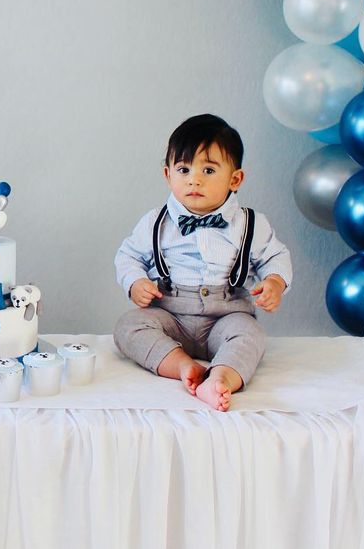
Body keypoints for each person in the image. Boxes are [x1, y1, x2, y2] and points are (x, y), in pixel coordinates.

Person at [113, 114, 292, 412]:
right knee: (128, 326)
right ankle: (182, 366)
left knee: (251, 335)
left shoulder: (251, 223)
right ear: (168, 175)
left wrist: (274, 282)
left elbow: (276, 257)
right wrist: (135, 283)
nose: (194, 179)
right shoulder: (156, 222)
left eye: (208, 170)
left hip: (227, 316)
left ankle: (221, 376)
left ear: (235, 179)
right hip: (171, 315)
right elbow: (128, 255)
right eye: (184, 169)